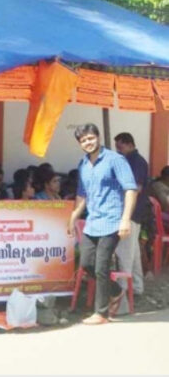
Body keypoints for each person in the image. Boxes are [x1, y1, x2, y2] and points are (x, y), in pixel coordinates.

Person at [67, 123, 137, 325]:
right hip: (93, 222)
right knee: (86, 263)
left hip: (113, 220)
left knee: (101, 266)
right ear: (79, 144)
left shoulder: (115, 160)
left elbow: (130, 189)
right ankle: (116, 291)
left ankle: (101, 313)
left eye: (90, 138)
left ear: (98, 137)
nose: (88, 143)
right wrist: (73, 217)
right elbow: (82, 194)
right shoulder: (83, 164)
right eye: (83, 140)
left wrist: (125, 219)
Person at [114, 132, 148, 301]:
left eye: (120, 147)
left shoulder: (136, 162)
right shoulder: (133, 160)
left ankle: (122, 291)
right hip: (135, 213)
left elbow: (135, 189)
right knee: (133, 254)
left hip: (130, 212)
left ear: (129, 144)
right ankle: (136, 287)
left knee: (124, 254)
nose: (118, 150)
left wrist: (125, 213)